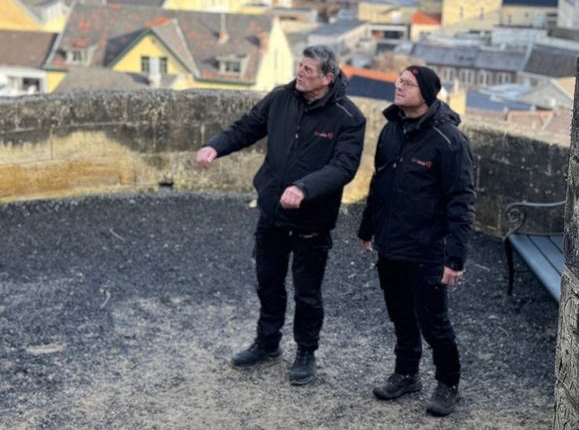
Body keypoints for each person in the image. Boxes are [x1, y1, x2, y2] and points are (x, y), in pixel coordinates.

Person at [196, 45, 365, 386]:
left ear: (327, 78)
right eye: (299, 67)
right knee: (269, 282)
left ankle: (305, 351)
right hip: (272, 209)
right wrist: (216, 145)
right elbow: (246, 128)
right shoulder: (280, 98)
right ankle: (267, 342)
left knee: (307, 291)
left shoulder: (349, 117)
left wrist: (304, 188)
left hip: (312, 219)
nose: (299, 73)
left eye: (308, 70)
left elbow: (344, 167)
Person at [357, 65, 475, 417]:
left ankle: (447, 383)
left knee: (434, 322)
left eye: (407, 83)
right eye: (398, 81)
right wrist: (367, 228)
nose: (398, 86)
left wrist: (455, 259)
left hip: (428, 248)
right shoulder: (392, 130)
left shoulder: (449, 141)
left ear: (427, 92)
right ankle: (406, 373)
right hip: (392, 243)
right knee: (400, 315)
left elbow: (461, 201)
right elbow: (379, 185)